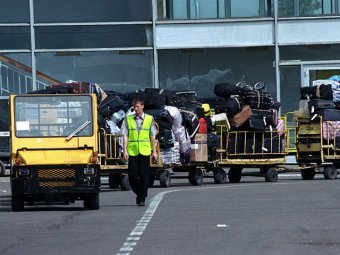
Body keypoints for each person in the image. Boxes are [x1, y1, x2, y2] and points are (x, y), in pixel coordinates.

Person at [121, 96, 158, 206]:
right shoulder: (128, 119)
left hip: (145, 150)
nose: (135, 108)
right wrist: (125, 150)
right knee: (132, 176)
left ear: (142, 106)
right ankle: (140, 193)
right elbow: (125, 135)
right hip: (133, 151)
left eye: (137, 106)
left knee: (144, 175)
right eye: (134, 106)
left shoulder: (149, 119)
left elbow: (152, 136)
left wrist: (154, 151)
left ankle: (141, 198)